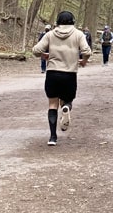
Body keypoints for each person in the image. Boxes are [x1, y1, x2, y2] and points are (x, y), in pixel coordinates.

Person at [31, 11, 91, 146]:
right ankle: (66, 107)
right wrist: (84, 61)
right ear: (73, 21)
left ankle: (52, 137)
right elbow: (87, 51)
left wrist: (44, 55)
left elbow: (35, 50)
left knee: (52, 104)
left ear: (58, 21)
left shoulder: (50, 34)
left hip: (52, 73)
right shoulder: (78, 34)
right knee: (67, 100)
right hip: (69, 74)